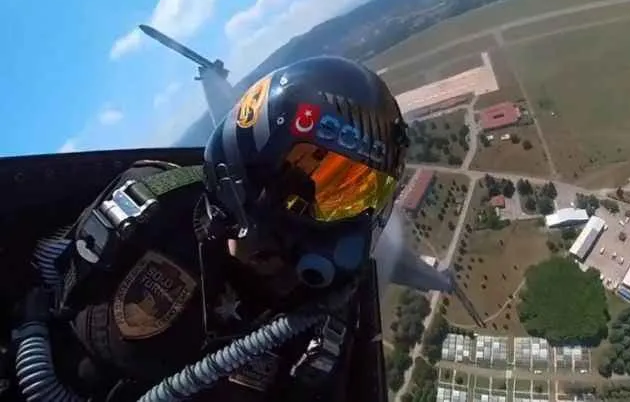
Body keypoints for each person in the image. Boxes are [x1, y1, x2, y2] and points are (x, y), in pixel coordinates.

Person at [17, 56, 409, 402]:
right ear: (249, 171)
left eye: (363, 197)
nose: (348, 227)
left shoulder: (322, 323)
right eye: (321, 188)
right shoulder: (147, 209)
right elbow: (43, 275)